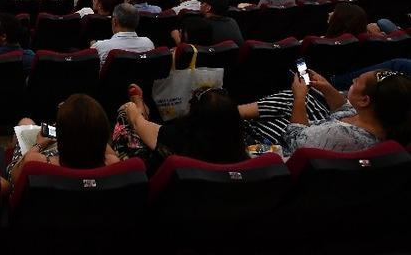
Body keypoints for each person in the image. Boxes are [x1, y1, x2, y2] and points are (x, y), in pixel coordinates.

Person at [250, 69, 411, 152]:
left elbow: (294, 136)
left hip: (281, 150)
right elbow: (346, 109)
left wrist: (299, 97)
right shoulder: (375, 120)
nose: (353, 80)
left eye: (357, 81)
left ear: (364, 100)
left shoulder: (341, 136)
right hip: (311, 130)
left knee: (290, 100)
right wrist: (327, 88)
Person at [121, 85, 249, 168]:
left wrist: (133, 107)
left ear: (193, 115)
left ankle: (142, 110)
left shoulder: (178, 138)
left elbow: (137, 123)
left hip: (175, 195)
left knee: (127, 117)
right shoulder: (242, 154)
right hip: (219, 197)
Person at [7, 94, 120, 185]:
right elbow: (98, 139)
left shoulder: (36, 163)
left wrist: (39, 144)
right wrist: (79, 120)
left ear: (60, 137)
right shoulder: (113, 164)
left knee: (25, 122)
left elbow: (13, 176)